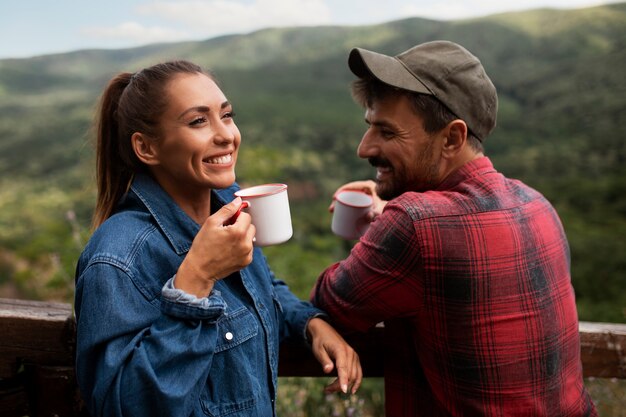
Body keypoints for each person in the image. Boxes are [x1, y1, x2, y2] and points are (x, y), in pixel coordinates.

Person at [310, 40, 597, 416]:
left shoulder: (414, 224)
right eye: (370, 127)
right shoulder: (536, 203)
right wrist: (389, 214)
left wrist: (392, 218)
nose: (364, 149)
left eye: (388, 132)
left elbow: (331, 302)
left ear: (452, 138)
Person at [74, 60, 361, 417]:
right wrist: (194, 282)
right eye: (198, 121)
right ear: (146, 148)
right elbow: (123, 406)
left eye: (226, 115)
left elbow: (262, 288)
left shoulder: (227, 209)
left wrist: (309, 323)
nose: (226, 134)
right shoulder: (118, 257)